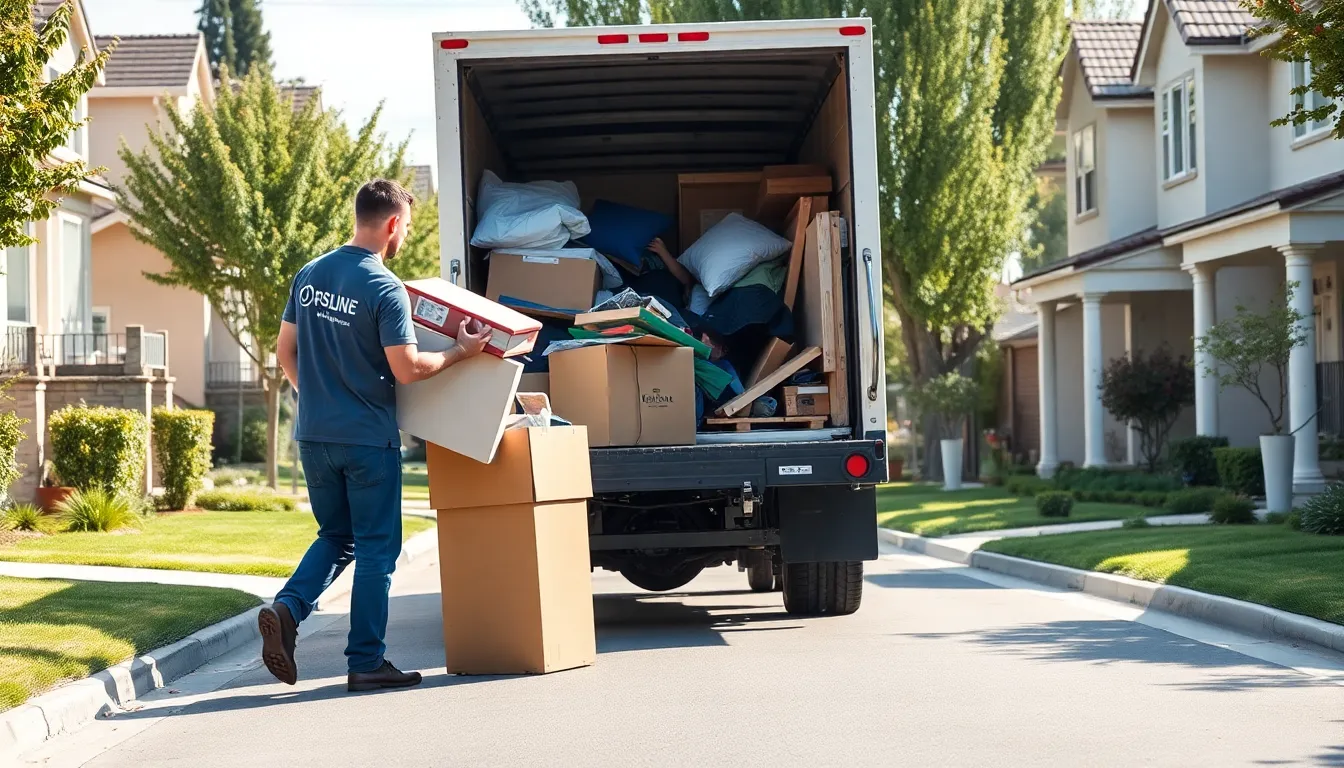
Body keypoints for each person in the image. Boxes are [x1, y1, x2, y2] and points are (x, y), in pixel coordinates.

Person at [259, 179, 491, 693]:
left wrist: (316, 399)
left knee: (335, 535)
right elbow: (406, 369)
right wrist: (461, 353)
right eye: (405, 225)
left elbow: (285, 353)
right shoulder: (385, 287)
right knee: (376, 551)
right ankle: (366, 660)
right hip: (367, 440)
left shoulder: (309, 274)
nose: (403, 233)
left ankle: (288, 609)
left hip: (314, 436)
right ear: (391, 225)